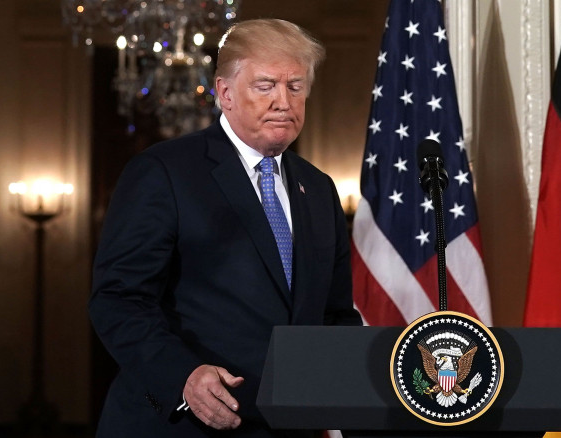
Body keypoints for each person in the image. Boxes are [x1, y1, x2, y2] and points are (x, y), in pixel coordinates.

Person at [88, 18, 362, 437]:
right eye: (266, 85)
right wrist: (183, 377)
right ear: (225, 92)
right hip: (183, 424)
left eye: (295, 86)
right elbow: (118, 299)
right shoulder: (164, 172)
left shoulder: (319, 188)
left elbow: (336, 315)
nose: (283, 102)